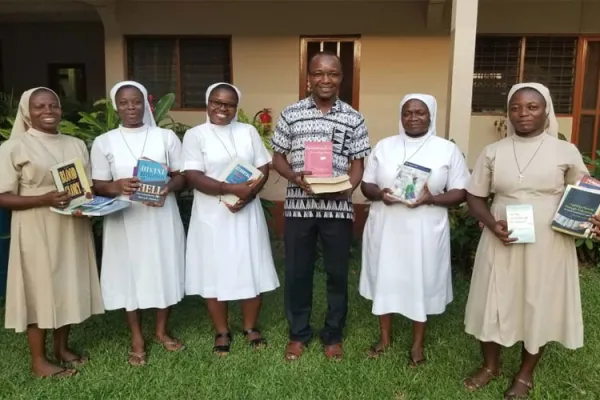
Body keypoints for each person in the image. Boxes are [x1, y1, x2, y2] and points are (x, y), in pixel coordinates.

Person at [464, 83, 588, 399]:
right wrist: (492, 224)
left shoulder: (566, 151)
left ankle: (525, 373)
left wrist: (591, 217)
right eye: (516, 107)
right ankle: (490, 365)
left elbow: (585, 195)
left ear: (546, 110)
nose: (523, 113)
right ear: (509, 112)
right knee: (492, 297)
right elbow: (474, 196)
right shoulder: (493, 151)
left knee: (538, 300)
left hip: (549, 240)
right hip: (501, 236)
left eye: (532, 107)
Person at [271, 51, 371, 361]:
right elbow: (278, 157)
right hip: (299, 208)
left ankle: (333, 335)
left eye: (332, 73)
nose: (325, 79)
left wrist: (345, 189)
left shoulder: (354, 118)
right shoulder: (291, 114)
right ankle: (298, 333)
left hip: (338, 211)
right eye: (318, 73)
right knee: (298, 272)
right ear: (309, 77)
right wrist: (294, 177)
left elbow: (358, 165)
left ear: (341, 78)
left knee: (337, 274)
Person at [0, 87, 103, 377]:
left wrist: (89, 201)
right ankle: (38, 360)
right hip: (36, 225)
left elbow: (85, 186)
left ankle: (61, 348)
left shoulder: (75, 143)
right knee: (40, 289)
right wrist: (43, 199)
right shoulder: (14, 148)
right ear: (26, 111)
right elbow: (2, 196)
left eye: (53, 105)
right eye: (39, 106)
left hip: (71, 224)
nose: (48, 111)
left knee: (66, 285)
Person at [359, 94, 469, 364]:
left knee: (421, 279)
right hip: (386, 226)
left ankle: (417, 344)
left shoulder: (446, 149)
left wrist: (431, 198)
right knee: (385, 276)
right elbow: (366, 185)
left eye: (420, 112)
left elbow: (461, 192)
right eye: (407, 112)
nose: (413, 117)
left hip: (425, 229)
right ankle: (385, 338)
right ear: (401, 115)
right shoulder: (385, 147)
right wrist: (381, 193)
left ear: (431, 115)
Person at [90, 81, 186, 366]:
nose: (131, 107)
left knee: (163, 269)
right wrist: (118, 185)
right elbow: (98, 185)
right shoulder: (104, 141)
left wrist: (168, 187)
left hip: (160, 216)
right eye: (124, 103)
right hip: (124, 219)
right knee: (128, 273)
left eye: (136, 101)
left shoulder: (165, 137)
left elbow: (183, 176)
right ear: (116, 106)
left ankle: (160, 330)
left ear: (146, 104)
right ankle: (136, 337)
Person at [182, 82, 279, 355]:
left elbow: (263, 166)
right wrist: (229, 190)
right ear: (207, 102)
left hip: (246, 213)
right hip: (211, 215)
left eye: (229, 104)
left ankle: (250, 327)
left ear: (236, 107)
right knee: (214, 270)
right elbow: (193, 176)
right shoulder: (195, 135)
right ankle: (222, 330)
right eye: (217, 102)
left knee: (250, 265)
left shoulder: (247, 131)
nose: (222, 109)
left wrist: (246, 196)